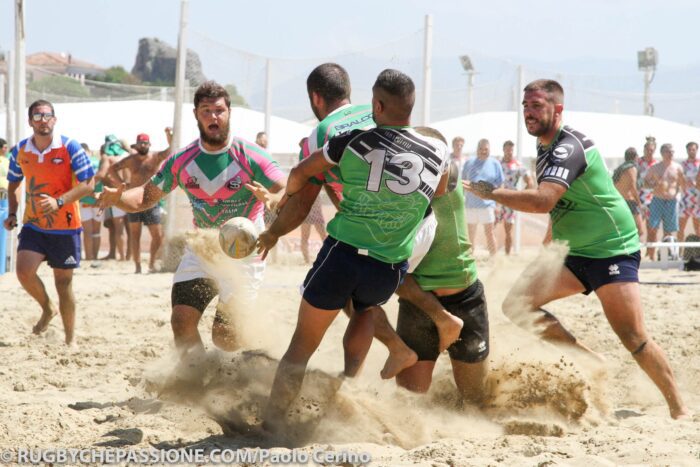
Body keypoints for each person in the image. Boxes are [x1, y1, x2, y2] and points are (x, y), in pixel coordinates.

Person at [464, 79, 689, 419]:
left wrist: (493, 193)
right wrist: (550, 244)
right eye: (525, 107)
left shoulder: (567, 148)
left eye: (537, 106)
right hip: (574, 253)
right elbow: (561, 203)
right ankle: (588, 360)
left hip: (612, 249)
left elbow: (543, 201)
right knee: (518, 304)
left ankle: (679, 409)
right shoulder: (544, 147)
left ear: (558, 109)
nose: (529, 113)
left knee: (633, 337)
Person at [262, 69, 449, 432]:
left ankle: (271, 424)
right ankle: (347, 387)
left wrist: (283, 197)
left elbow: (302, 172)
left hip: (343, 255)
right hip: (389, 264)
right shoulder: (438, 149)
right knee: (365, 310)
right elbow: (440, 191)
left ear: (377, 104)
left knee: (301, 347)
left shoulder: (350, 141)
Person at [97, 81, 285, 355]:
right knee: (181, 320)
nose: (213, 117)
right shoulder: (182, 160)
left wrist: (273, 199)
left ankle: (257, 359)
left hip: (243, 253)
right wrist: (117, 198)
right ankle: (196, 381)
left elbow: (286, 187)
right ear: (196, 114)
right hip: (203, 249)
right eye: (206, 111)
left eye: (219, 110)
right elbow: (145, 197)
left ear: (229, 112)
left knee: (224, 338)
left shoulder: (251, 156)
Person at [395, 128, 489, 404]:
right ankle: (441, 319)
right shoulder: (403, 185)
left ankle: (443, 320)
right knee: (409, 404)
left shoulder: (449, 173)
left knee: (475, 402)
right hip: (420, 301)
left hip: (463, 296)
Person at [3, 99, 95, 345]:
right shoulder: (21, 150)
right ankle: (47, 308)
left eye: (47, 116)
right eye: (37, 116)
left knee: (63, 284)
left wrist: (60, 201)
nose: (42, 120)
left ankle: (70, 340)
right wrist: (12, 214)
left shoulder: (70, 147)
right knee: (23, 271)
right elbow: (13, 184)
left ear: (54, 119)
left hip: (65, 226)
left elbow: (89, 184)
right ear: (30, 121)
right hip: (34, 223)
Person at [105, 130, 173, 273]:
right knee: (135, 234)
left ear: (149, 144)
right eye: (141, 143)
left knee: (157, 235)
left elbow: (171, 149)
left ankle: (152, 262)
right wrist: (121, 184)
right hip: (134, 200)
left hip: (151, 199)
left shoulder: (155, 157)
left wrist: (169, 136)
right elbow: (112, 169)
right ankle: (137, 265)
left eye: (145, 143)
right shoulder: (131, 159)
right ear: (136, 145)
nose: (143, 145)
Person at [462, 138, 503, 256]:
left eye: (486, 149)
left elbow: (500, 185)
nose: (483, 151)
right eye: (481, 149)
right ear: (477, 149)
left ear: (489, 150)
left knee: (489, 233)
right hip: (471, 205)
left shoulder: (495, 163)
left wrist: (498, 205)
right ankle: (470, 259)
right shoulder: (469, 163)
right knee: (470, 234)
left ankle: (493, 260)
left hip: (488, 206)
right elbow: (463, 182)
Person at [644, 143, 685, 260]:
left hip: (672, 201)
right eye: (668, 151)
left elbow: (683, 185)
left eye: (672, 151)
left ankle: (667, 256)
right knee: (653, 228)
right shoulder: (655, 167)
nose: (671, 153)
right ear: (662, 153)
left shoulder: (678, 167)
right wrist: (654, 184)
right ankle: (651, 256)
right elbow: (645, 183)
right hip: (658, 199)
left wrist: (682, 178)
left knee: (669, 230)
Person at [497, 140, 534, 254]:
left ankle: (507, 257)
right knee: (490, 227)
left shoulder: (518, 165)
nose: (509, 152)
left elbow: (530, 182)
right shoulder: (497, 164)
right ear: (503, 150)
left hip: (510, 202)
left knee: (508, 230)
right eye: (507, 149)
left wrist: (521, 196)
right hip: (496, 199)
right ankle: (492, 255)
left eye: (511, 150)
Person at [297, 137, 327, 264]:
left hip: (313, 205)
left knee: (322, 235)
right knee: (307, 236)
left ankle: (316, 259)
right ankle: (307, 260)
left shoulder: (313, 163)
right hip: (307, 205)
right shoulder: (304, 165)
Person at [100, 134, 130, 261]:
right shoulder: (128, 156)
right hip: (130, 193)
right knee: (130, 228)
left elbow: (101, 175)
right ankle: (128, 256)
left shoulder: (108, 157)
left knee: (118, 228)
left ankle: (122, 257)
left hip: (116, 194)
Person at [78, 143, 104, 261]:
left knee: (88, 231)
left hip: (84, 200)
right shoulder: (98, 162)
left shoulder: (78, 163)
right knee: (96, 231)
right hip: (98, 200)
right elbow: (103, 178)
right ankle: (95, 257)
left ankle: (89, 257)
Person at [612, 147, 645, 238]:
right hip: (629, 202)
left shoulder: (620, 169)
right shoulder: (631, 168)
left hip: (619, 201)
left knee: (623, 229)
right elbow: (633, 186)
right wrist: (639, 204)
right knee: (640, 230)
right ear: (635, 157)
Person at [678, 141, 699, 241]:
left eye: (693, 149)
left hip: (697, 199)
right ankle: (680, 252)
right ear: (687, 150)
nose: (691, 151)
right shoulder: (682, 164)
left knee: (698, 228)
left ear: (697, 150)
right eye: (690, 149)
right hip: (685, 199)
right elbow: (679, 179)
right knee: (681, 227)